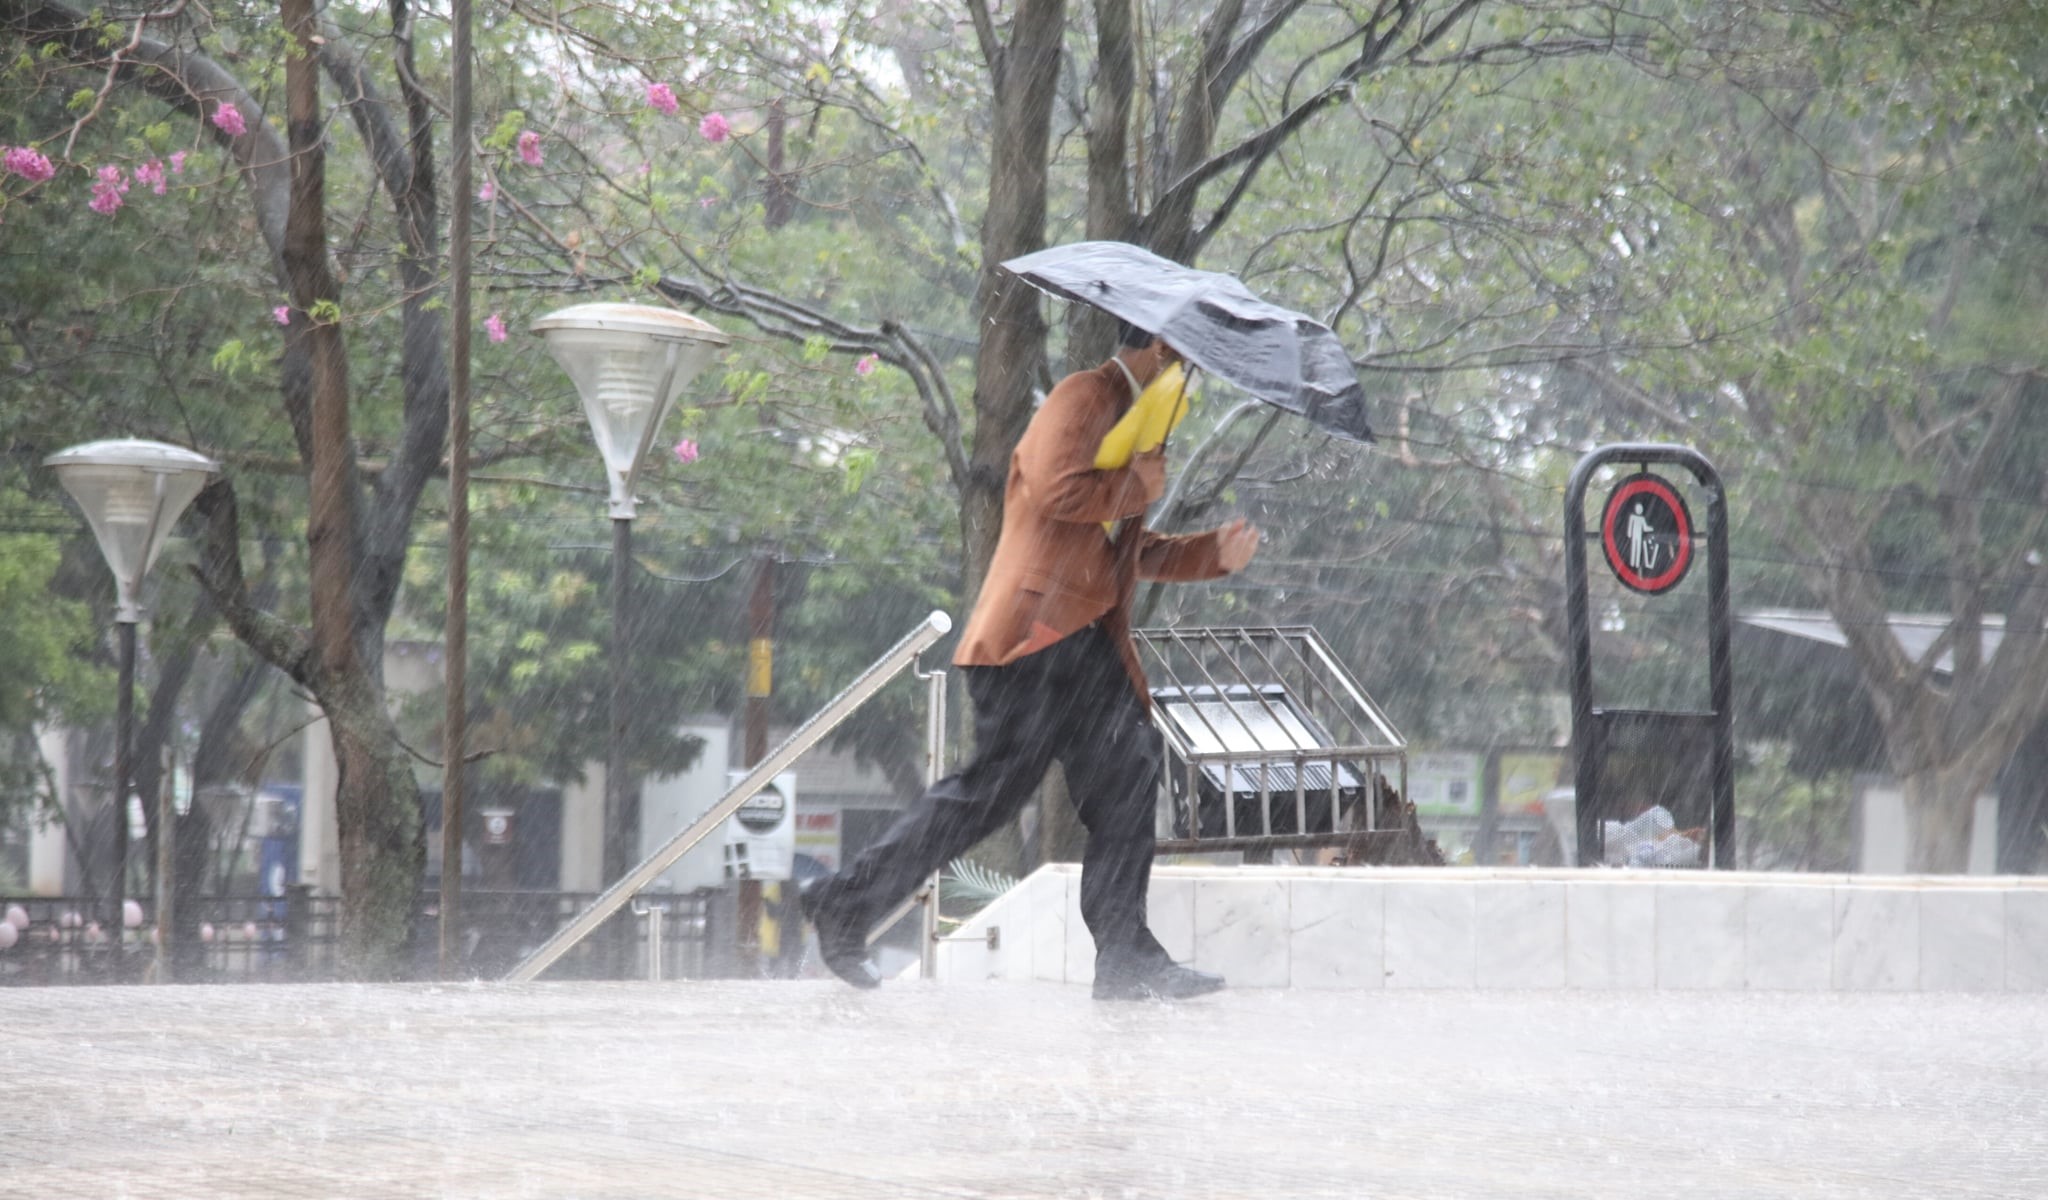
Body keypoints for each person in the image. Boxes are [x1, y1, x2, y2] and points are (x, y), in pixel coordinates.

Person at [800, 321, 1260, 1000]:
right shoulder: (1083, 397)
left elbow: (1117, 551)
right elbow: (1059, 493)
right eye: (1187, 367)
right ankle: (847, 900)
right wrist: (1140, 482)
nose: (1188, 385)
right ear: (1162, 351)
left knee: (1128, 777)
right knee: (990, 795)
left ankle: (1126, 956)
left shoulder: (1135, 426)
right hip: (1032, 639)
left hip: (1086, 644)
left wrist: (1209, 555)